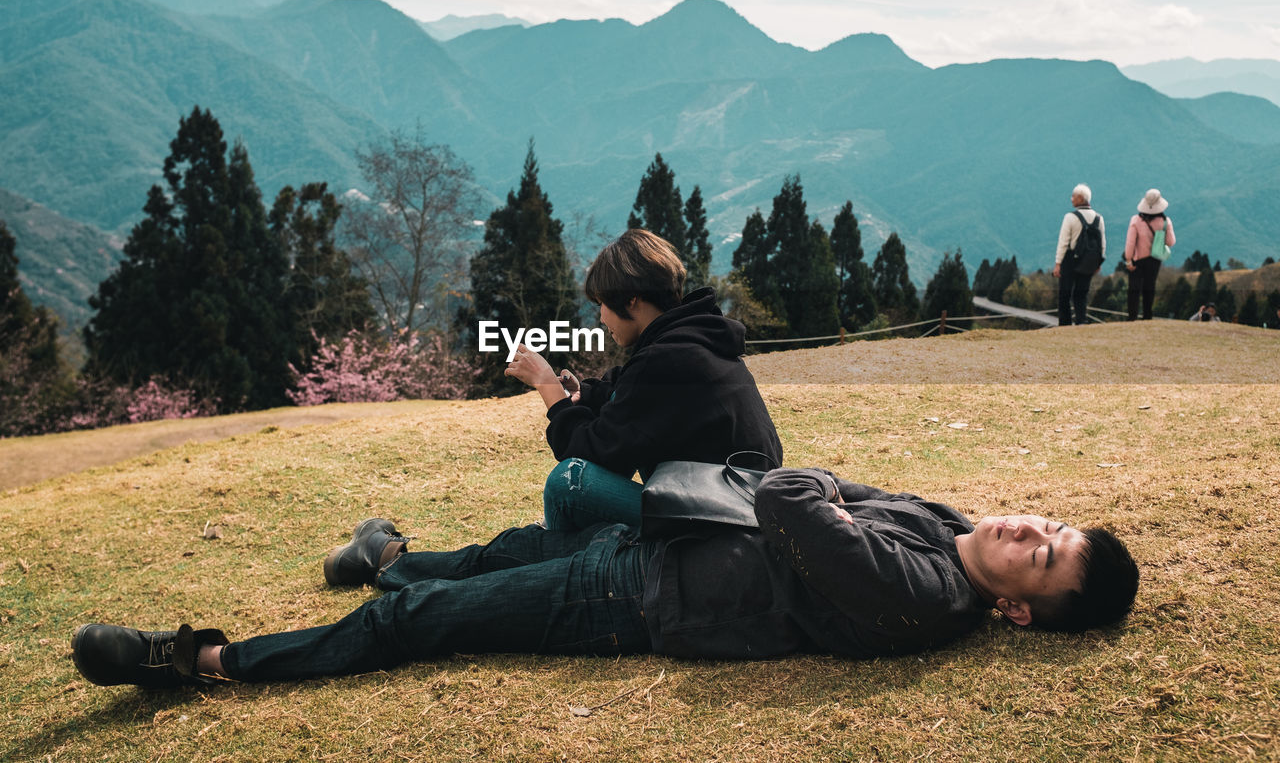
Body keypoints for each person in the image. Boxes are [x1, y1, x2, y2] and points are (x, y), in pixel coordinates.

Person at [71, 467, 1140, 689]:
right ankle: (383, 564)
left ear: (1016, 606)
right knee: (487, 554)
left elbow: (791, 494)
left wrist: (822, 500)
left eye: (1040, 553)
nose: (1023, 527)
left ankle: (198, 658)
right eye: (1045, 521)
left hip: (632, 605)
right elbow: (812, 501)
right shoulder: (947, 526)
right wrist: (824, 504)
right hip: (655, 546)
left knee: (431, 623)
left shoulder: (924, 599)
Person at [500, 228, 782, 534]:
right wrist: (586, 393)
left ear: (631, 299)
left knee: (568, 481)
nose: (602, 318)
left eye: (602, 305)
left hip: (721, 524)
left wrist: (547, 386)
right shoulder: (693, 341)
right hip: (740, 506)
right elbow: (628, 390)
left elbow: (589, 452)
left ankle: (561, 564)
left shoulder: (669, 359)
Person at [1052, 184, 1106, 326]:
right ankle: (1081, 321)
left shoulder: (1070, 217)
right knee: (1082, 293)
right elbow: (1102, 242)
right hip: (1089, 260)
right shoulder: (1099, 218)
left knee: (1065, 294)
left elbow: (1063, 242)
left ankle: (1065, 324)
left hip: (1070, 259)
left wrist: (1058, 263)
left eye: (1073, 196)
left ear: (1081, 198)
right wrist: (1099, 263)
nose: (1071, 199)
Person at [1124, 189, 1175, 321]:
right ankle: (1147, 316)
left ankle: (1132, 317)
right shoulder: (1165, 221)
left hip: (1137, 259)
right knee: (1149, 287)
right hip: (1154, 259)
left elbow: (1130, 243)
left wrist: (1128, 260)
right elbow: (1171, 242)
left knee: (1134, 289)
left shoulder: (1135, 220)